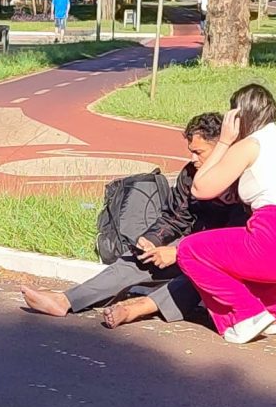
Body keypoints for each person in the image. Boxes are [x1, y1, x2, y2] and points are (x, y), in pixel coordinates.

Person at [18, 111, 249, 327]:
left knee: (199, 271)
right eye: (190, 150)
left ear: (221, 147)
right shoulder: (190, 174)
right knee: (138, 257)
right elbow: (175, 217)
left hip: (220, 256)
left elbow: (233, 240)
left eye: (199, 152)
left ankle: (136, 309)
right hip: (188, 244)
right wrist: (151, 240)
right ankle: (66, 300)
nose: (192, 158)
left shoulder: (243, 182)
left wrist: (180, 253)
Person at [173, 83, 276, 345]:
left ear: (237, 117)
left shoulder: (250, 145)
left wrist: (225, 141)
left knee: (191, 250)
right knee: (241, 249)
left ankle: (245, 314)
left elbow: (201, 188)